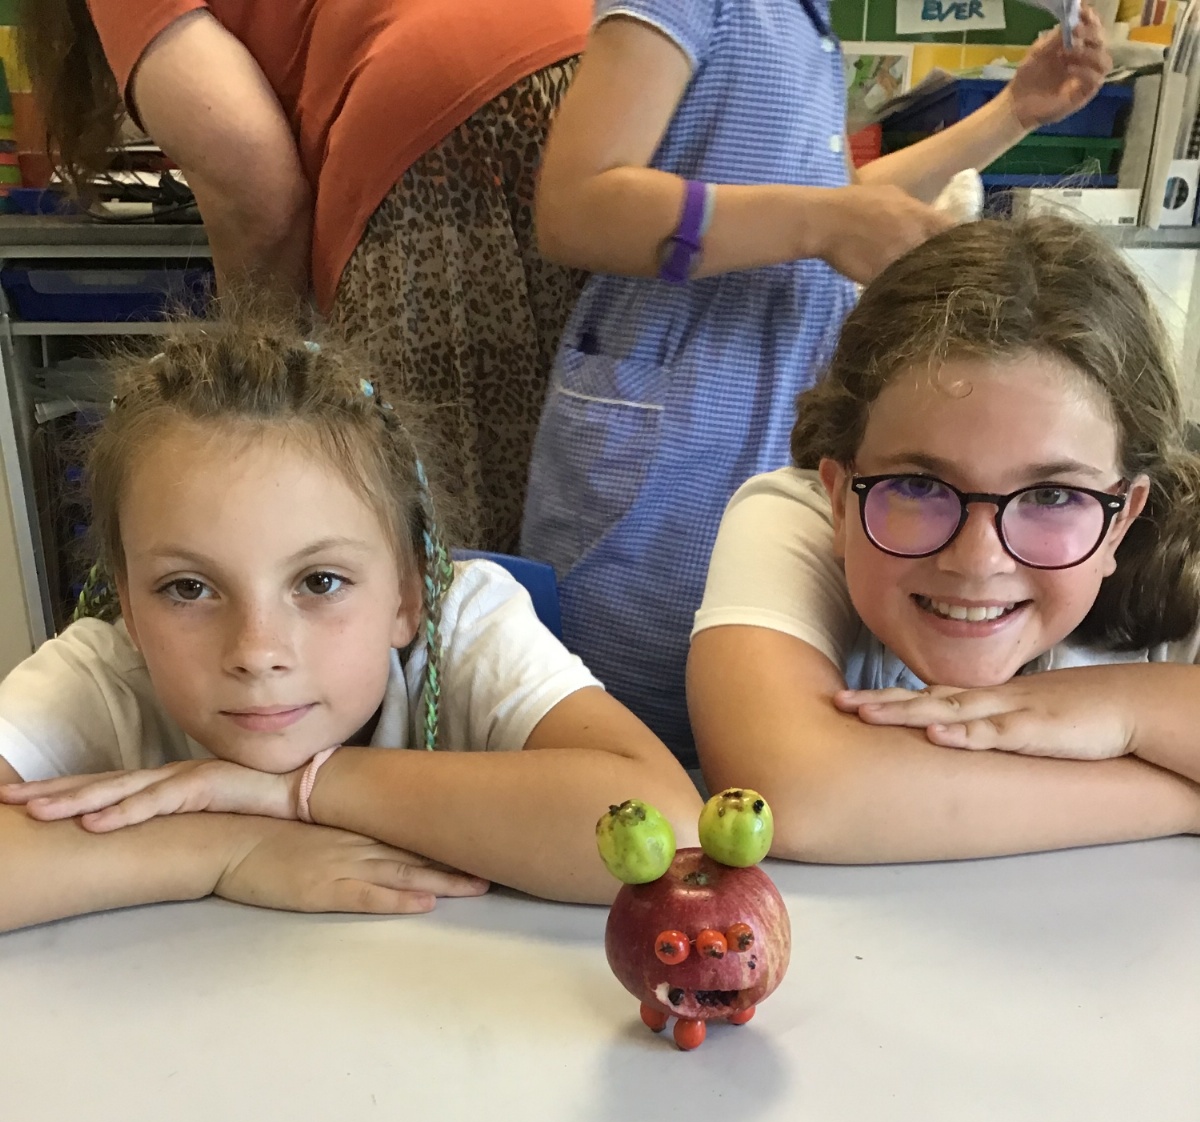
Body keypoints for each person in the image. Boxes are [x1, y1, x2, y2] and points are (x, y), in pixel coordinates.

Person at [520, 0, 1112, 760]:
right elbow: (576, 206)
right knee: (630, 715)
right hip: (674, 440)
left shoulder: (806, 23)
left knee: (746, 692)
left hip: (767, 416)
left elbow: (834, 197)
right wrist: (825, 223)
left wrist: (1012, 113)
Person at [0, 309, 700, 934]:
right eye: (188, 588)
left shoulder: (463, 627)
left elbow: (669, 830)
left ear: (408, 597)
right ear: (127, 603)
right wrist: (228, 848)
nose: (257, 651)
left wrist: (296, 792)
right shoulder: (106, 674)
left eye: (320, 582)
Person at [687, 213, 1200, 863]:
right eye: (919, 486)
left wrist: (1130, 707)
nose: (978, 560)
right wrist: (1183, 794)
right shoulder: (790, 517)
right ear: (840, 499)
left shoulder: (1184, 564)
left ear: (1122, 518)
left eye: (1051, 496)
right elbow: (786, 795)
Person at [21, 0, 592, 552]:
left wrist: (253, 391)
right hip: (598, 75)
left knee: (435, 542)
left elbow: (254, 190)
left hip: (439, 125)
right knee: (587, 496)